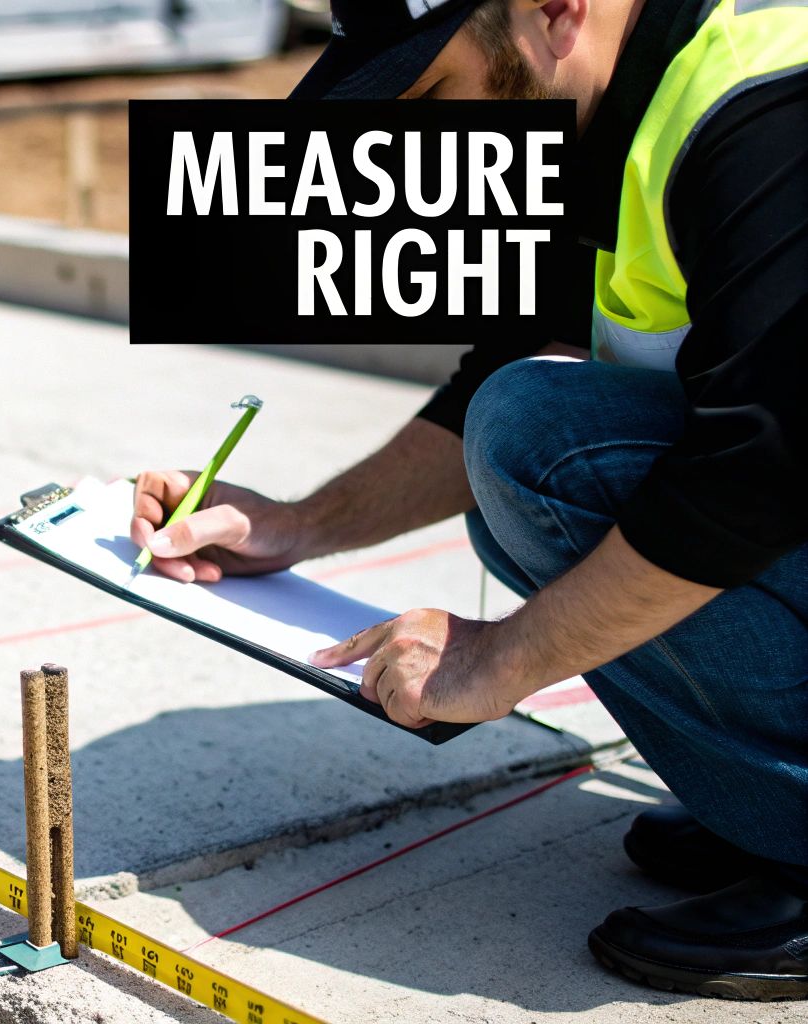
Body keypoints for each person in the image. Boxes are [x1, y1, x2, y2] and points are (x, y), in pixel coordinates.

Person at [132, 0, 808, 1000]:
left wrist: (502, 658)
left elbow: (761, 467)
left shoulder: (764, 102)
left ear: (555, 10)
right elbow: (514, 362)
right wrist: (298, 524)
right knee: (519, 472)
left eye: (436, 95)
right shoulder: (597, 116)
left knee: (536, 445)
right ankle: (767, 806)